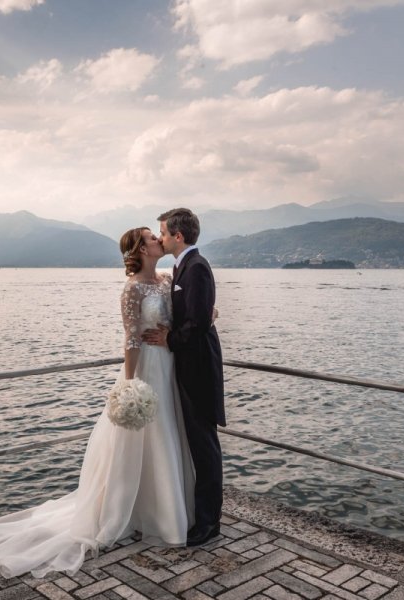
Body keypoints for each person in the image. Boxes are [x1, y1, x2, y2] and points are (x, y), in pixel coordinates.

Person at [0, 227, 194, 578]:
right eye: (152, 238)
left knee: (167, 436)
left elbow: (184, 318)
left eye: (158, 235)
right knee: (138, 441)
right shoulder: (132, 288)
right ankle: (131, 512)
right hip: (146, 369)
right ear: (141, 249)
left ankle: (165, 509)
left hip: (169, 368)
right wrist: (130, 385)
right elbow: (131, 338)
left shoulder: (167, 279)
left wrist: (203, 318)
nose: (158, 240)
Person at [142, 208, 225, 547]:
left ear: (178, 236)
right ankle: (200, 515)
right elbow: (196, 312)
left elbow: (198, 324)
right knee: (197, 444)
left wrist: (169, 339)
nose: (160, 238)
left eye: (163, 232)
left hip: (199, 370)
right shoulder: (181, 267)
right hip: (187, 367)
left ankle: (209, 523)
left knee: (205, 448)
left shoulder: (197, 268)